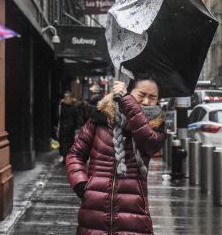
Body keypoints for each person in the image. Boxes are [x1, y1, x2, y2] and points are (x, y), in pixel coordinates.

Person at [66, 73, 166, 235]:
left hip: (134, 213)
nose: (146, 101)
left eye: (152, 97)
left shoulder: (156, 126)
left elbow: (148, 141)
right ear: (130, 90)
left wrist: (127, 101)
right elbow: (75, 153)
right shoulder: (101, 117)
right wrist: (81, 184)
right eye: (141, 95)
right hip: (93, 213)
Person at [58, 92, 79, 165]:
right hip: (71, 127)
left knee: (63, 142)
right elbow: (76, 117)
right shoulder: (73, 106)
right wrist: (76, 126)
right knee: (70, 142)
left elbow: (59, 117)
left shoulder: (61, 106)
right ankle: (68, 158)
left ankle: (64, 157)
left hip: (63, 126)